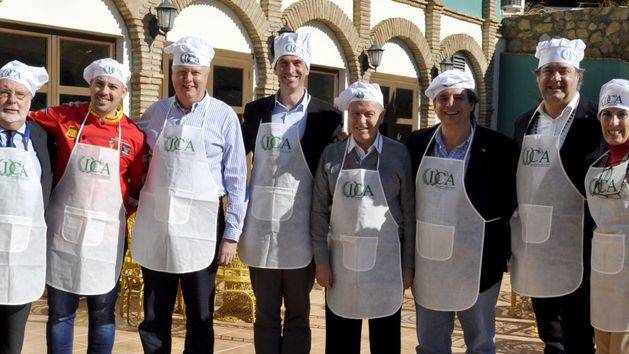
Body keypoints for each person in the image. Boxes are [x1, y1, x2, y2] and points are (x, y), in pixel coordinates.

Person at [132, 36, 247, 354]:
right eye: (182, 72)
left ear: (206, 74)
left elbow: (237, 180)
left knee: (199, 314)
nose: (188, 79)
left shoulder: (223, 117)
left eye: (195, 72)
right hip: (159, 223)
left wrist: (231, 235)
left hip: (203, 226)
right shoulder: (156, 113)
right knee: (155, 312)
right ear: (172, 75)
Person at [28, 58, 148, 353]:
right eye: (99, 84)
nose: (104, 91)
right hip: (63, 233)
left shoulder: (133, 135)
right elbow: (21, 117)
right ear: (90, 86)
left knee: (103, 314)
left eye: (112, 87)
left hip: (107, 237)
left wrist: (114, 215)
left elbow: (137, 187)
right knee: (60, 313)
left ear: (122, 93)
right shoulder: (65, 116)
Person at [238, 30, 341, 354]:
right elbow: (237, 165)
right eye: (284, 63)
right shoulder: (256, 112)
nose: (290, 70)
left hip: (301, 231)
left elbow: (332, 177)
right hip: (261, 227)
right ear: (275, 68)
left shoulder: (327, 118)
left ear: (307, 68)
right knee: (265, 315)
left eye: (297, 63)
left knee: (298, 315)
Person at [405, 69, 518, 354]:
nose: (451, 105)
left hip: (479, 262)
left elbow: (510, 203)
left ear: (471, 103)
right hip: (429, 260)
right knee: (430, 345)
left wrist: (502, 253)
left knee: (480, 343)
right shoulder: (416, 144)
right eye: (443, 98)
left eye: (459, 98)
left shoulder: (499, 148)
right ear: (434, 104)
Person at [510, 38, 601, 354]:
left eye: (563, 70)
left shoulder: (596, 122)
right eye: (548, 71)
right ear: (537, 77)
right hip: (536, 247)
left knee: (579, 338)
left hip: (582, 250)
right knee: (550, 336)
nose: (555, 78)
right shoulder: (524, 122)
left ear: (579, 76)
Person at [310, 81, 414, 354]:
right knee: (341, 342)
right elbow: (319, 212)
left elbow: (410, 216)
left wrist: (408, 265)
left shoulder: (398, 155)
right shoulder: (332, 155)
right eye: (355, 113)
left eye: (369, 113)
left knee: (386, 342)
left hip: (386, 265)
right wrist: (321, 261)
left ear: (382, 115)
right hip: (342, 267)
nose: (362, 120)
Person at [0, 61, 52, 354]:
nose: (12, 100)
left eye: (20, 94)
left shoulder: (42, 138)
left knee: (11, 342)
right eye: (5, 92)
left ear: (30, 100)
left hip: (21, 256)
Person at [583, 79, 629, 354]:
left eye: (622, 114)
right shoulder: (599, 162)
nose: (613, 122)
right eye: (607, 114)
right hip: (603, 277)